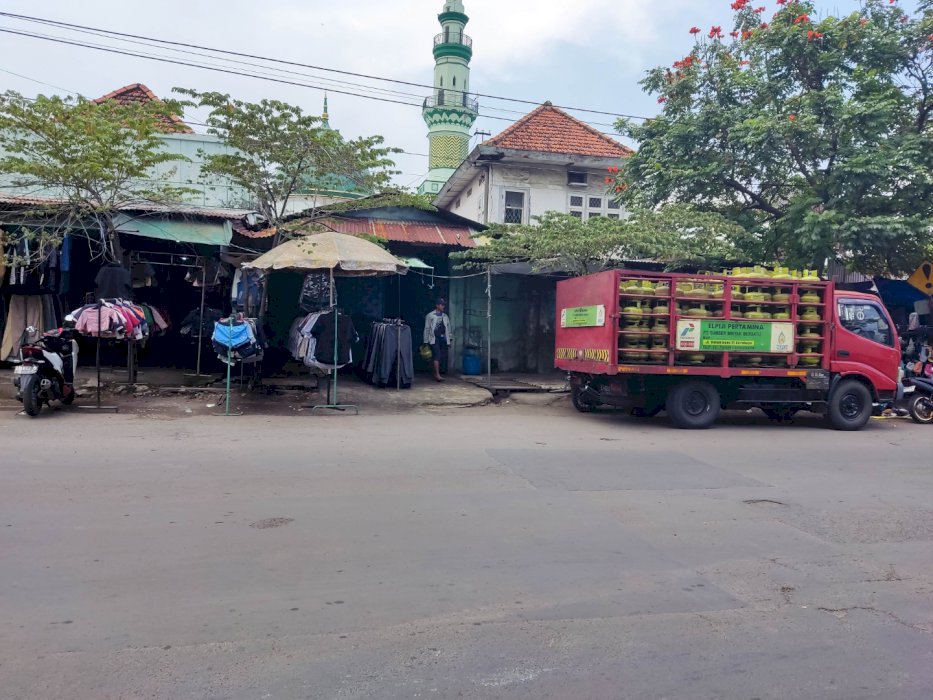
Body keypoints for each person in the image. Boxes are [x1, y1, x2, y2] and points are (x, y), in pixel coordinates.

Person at [424, 298, 452, 382]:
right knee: (437, 355)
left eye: (444, 305)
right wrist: (426, 341)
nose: (443, 306)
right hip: (434, 338)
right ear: (437, 305)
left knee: (441, 356)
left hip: (443, 338)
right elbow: (427, 328)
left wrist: (449, 339)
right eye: (441, 304)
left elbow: (448, 328)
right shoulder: (430, 315)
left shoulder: (445, 316)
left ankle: (435, 372)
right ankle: (437, 375)